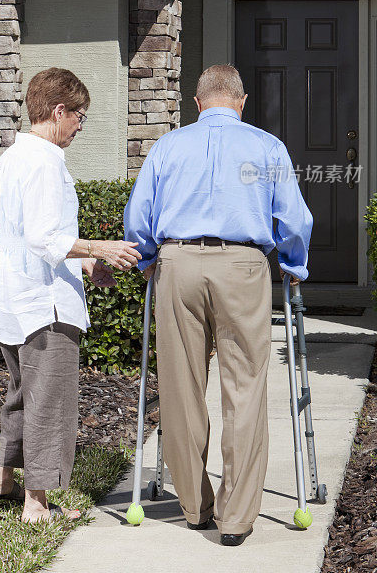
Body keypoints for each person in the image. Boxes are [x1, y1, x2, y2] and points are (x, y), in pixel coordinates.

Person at [124, 64, 312, 546]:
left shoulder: (168, 146)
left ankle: (194, 506)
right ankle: (236, 518)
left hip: (178, 264)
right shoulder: (267, 147)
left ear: (198, 101)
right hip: (244, 267)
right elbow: (293, 219)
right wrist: (293, 264)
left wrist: (147, 258)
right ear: (242, 102)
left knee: (181, 384)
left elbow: (138, 216)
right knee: (245, 386)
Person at [0, 67, 141, 524]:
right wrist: (98, 247)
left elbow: (26, 234)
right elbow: (45, 235)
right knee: (50, 397)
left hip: (12, 291)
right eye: (80, 116)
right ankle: (37, 502)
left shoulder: (13, 156)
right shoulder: (47, 161)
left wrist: (83, 263)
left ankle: (0, 478)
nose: (80, 127)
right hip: (42, 299)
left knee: (22, 388)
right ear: (58, 111)